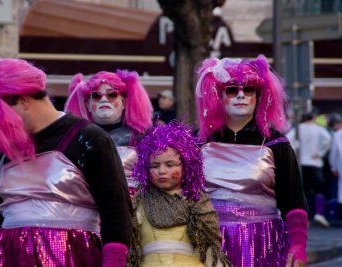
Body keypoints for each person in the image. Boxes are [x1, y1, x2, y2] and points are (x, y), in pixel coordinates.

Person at [0, 58, 132, 267]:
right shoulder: (3, 149)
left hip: (72, 256)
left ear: (24, 100)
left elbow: (116, 211)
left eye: (0, 117)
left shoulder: (88, 137)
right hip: (7, 257)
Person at [195, 55, 308, 267]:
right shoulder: (199, 141)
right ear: (219, 95)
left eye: (249, 90)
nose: (241, 96)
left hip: (262, 242)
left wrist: (298, 244)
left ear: (258, 96)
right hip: (208, 242)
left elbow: (293, 199)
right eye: (232, 90)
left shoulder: (276, 143)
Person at [128, 122, 231, 267]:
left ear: (186, 165)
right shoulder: (139, 202)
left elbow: (212, 252)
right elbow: (131, 250)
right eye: (155, 166)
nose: (161, 171)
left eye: (169, 165)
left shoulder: (199, 203)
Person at [64, 70, 153, 197]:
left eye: (112, 95)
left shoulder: (140, 137)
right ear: (88, 105)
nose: (104, 99)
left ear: (123, 103)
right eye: (96, 96)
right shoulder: (78, 138)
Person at [287, 111, 331, 227]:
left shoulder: (298, 129)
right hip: (315, 163)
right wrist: (320, 153)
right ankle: (319, 214)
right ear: (313, 117)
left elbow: (288, 140)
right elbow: (327, 140)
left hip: (302, 163)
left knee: (304, 191)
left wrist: (295, 153)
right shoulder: (319, 129)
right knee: (319, 190)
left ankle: (305, 216)